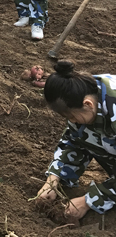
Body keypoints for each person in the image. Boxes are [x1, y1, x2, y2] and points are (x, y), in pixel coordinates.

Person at [36, 60, 116, 222]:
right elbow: (75, 139)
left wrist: (89, 201)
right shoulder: (82, 91)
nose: (72, 121)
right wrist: (54, 178)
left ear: (88, 104)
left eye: (72, 116)